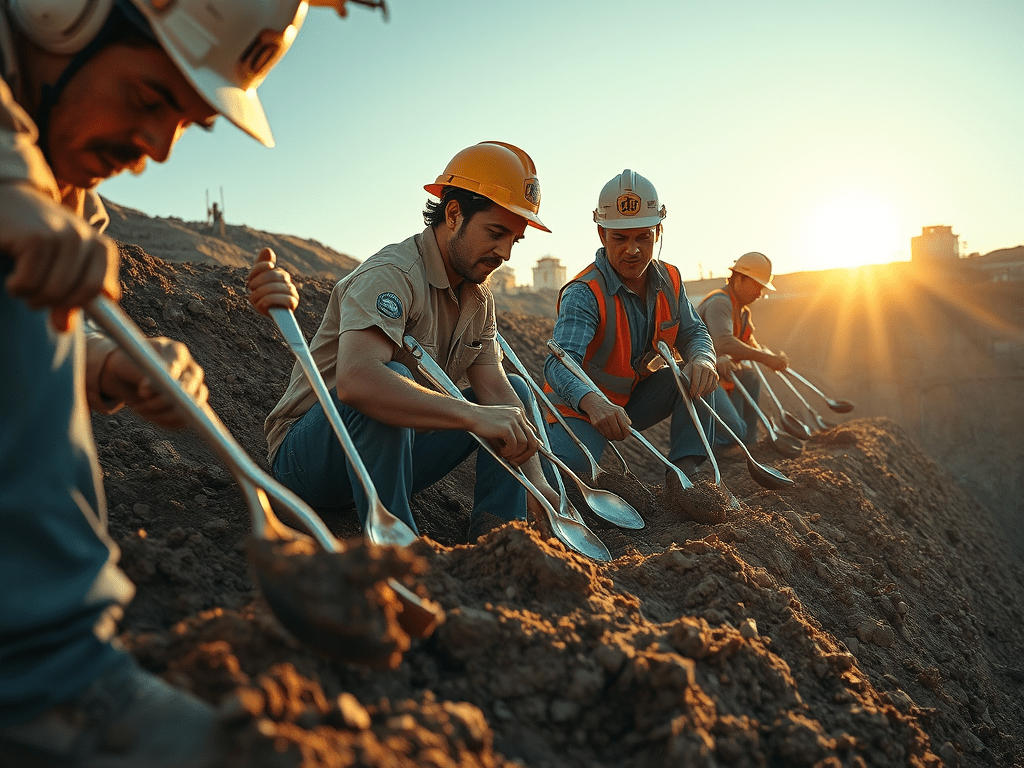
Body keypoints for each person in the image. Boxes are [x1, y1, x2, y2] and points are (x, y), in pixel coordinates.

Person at [0, 0, 347, 765]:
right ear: (61, 16)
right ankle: (44, 684)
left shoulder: (62, 198)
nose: (157, 148)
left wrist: (110, 363)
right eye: (150, 98)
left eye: (185, 121)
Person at [264, 141, 560, 541]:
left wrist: (536, 480)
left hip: (389, 457)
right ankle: (399, 546)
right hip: (309, 462)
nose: (505, 252)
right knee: (388, 376)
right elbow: (356, 381)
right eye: (496, 232)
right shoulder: (393, 275)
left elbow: (494, 388)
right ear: (454, 215)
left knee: (516, 394)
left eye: (515, 239)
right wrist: (472, 416)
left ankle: (502, 540)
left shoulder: (478, 297)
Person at [541, 170, 720, 510]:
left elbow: (695, 333)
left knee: (693, 378)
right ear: (601, 234)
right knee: (570, 473)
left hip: (631, 400)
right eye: (620, 239)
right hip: (580, 408)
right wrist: (592, 402)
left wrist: (703, 359)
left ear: (659, 231)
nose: (633, 250)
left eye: (643, 237)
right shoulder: (585, 294)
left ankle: (682, 476)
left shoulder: (670, 280)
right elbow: (558, 364)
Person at [695, 251, 788, 449]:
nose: (760, 293)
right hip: (700, 377)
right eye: (757, 286)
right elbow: (724, 344)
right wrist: (765, 359)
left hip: (722, 374)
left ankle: (748, 444)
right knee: (735, 431)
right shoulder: (720, 303)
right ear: (739, 279)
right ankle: (713, 447)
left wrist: (772, 357)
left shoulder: (742, 311)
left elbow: (750, 343)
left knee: (750, 377)